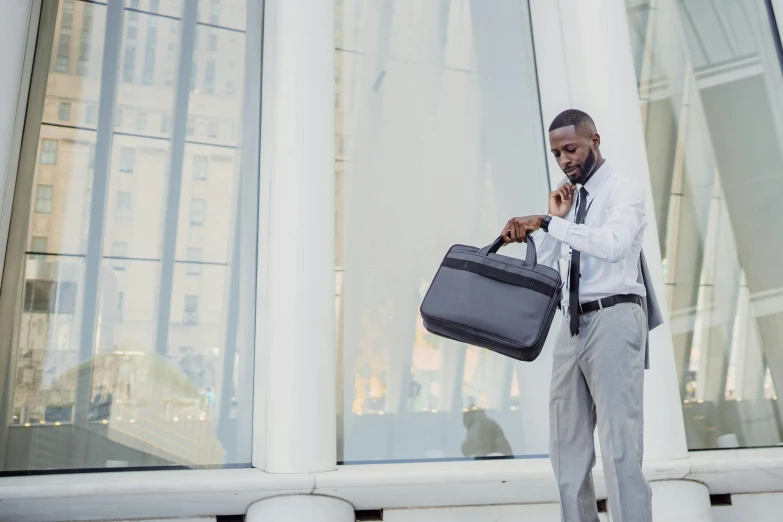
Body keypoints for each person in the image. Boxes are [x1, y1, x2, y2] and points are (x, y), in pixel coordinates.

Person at [501, 109, 652, 521]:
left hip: (614, 318)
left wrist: (551, 222)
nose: (565, 160)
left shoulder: (625, 190)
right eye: (557, 154)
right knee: (566, 453)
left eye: (571, 149)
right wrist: (552, 225)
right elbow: (554, 270)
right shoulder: (570, 202)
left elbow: (614, 244)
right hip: (571, 327)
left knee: (621, 450)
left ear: (594, 141)